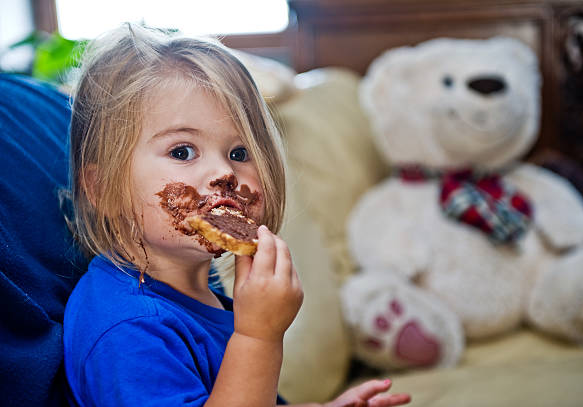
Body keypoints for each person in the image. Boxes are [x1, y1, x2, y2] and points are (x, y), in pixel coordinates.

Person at [63, 23, 412, 407]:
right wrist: (258, 336)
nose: (225, 174)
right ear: (102, 190)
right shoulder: (127, 328)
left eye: (239, 153)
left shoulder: (203, 292)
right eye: (182, 151)